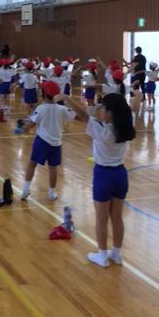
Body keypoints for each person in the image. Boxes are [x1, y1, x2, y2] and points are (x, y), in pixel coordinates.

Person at [62, 93, 136, 267]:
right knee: (117, 218)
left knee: (101, 219)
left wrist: (67, 98)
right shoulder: (125, 126)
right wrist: (137, 96)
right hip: (120, 174)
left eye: (103, 107)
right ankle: (116, 254)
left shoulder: (103, 130)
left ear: (110, 113)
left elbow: (83, 115)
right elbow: (130, 108)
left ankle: (102, 256)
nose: (100, 110)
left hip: (104, 175)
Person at [21, 81, 76, 202]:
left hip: (42, 140)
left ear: (44, 94)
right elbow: (73, 115)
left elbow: (31, 123)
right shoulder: (62, 109)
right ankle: (51, 192)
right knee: (53, 167)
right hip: (56, 143)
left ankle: (26, 188)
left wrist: (24, 128)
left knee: (32, 163)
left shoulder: (41, 108)